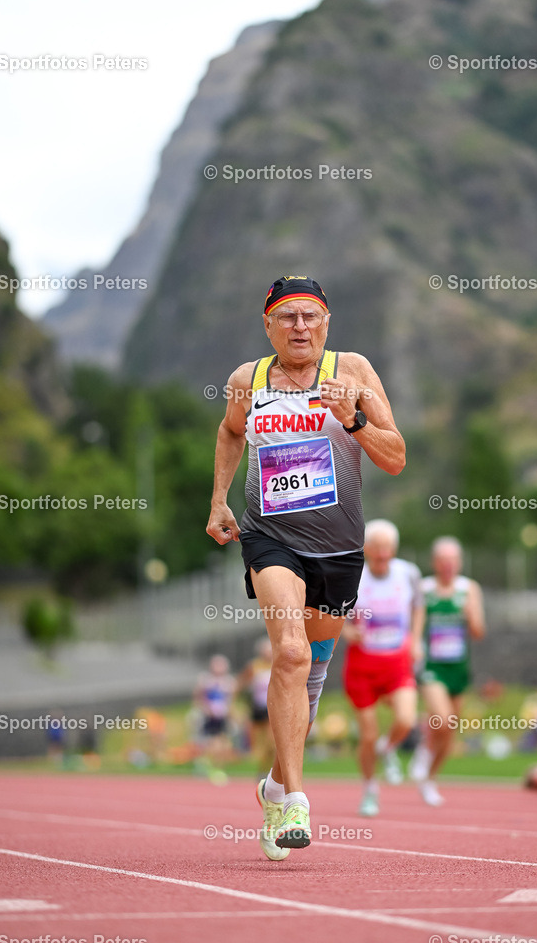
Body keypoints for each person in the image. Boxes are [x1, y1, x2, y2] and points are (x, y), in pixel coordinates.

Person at [206, 274, 406, 859]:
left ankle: (273, 785)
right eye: (287, 317)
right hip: (270, 539)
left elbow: (396, 457)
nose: (300, 327)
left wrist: (355, 420)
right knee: (289, 653)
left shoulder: (354, 372)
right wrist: (219, 500)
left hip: (337, 551)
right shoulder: (247, 380)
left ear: (326, 323)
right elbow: (230, 432)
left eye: (310, 316)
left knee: (312, 678)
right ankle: (295, 800)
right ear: (268, 326)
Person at [342, 519, 423, 816]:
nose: (382, 553)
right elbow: (330, 610)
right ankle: (369, 790)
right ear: (366, 549)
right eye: (376, 548)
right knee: (367, 735)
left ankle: (387, 749)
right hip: (362, 664)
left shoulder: (408, 573)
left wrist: (416, 639)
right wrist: (346, 631)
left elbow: (418, 606)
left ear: (394, 549)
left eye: (387, 547)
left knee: (406, 719)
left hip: (397, 661)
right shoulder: (352, 574)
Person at [409, 536, 485, 806]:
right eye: (443, 560)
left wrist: (470, 614)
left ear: (460, 562)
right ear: (435, 562)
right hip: (432, 667)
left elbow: (478, 632)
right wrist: (414, 645)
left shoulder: (469, 589)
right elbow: (413, 624)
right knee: (441, 719)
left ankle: (430, 778)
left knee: (450, 729)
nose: (448, 564)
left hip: (458, 668)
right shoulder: (424, 588)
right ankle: (425, 748)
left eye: (453, 559)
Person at [238, 637, 275, 776]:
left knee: (271, 743)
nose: (268, 654)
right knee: (259, 745)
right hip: (257, 708)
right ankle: (263, 770)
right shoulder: (254, 666)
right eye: (265, 651)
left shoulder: (277, 664)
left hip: (273, 708)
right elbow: (240, 684)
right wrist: (239, 705)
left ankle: (268, 771)